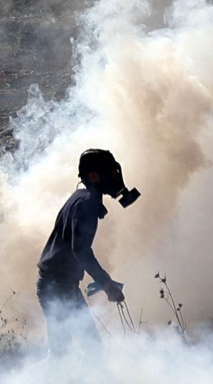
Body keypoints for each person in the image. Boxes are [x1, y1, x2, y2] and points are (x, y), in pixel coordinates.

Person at [36, 149, 140, 354]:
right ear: (93, 176)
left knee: (68, 354)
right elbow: (80, 250)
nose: (114, 179)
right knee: (83, 352)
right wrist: (107, 284)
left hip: (59, 284)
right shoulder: (86, 203)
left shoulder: (81, 197)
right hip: (57, 287)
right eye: (109, 173)